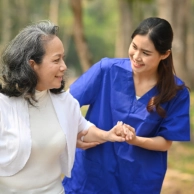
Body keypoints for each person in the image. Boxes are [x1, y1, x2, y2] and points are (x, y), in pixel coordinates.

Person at [0, 21, 134, 194]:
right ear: (32, 65)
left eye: (63, 58)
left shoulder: (64, 101)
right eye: (56, 60)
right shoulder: (4, 104)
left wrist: (107, 135)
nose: (64, 66)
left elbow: (82, 128)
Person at [63, 17, 190, 194]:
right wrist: (74, 135)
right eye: (134, 47)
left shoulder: (176, 92)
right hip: (92, 175)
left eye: (146, 53)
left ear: (165, 54)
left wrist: (135, 140)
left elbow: (165, 143)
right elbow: (65, 104)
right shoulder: (106, 70)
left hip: (138, 180)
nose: (136, 57)